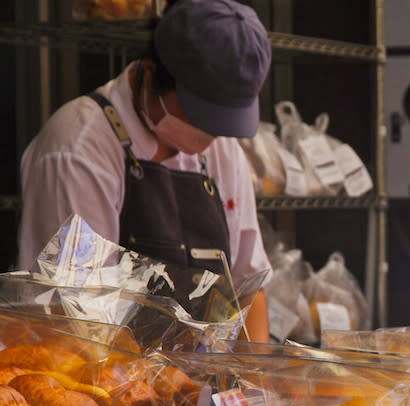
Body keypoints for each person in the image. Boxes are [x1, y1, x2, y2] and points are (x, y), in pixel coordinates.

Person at [17, 0, 273, 341]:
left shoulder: (224, 149)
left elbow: (247, 290)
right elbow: (71, 313)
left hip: (201, 390)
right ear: (151, 73)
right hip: (100, 381)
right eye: (198, 116)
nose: (209, 137)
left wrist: (258, 387)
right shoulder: (78, 148)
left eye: (220, 124)